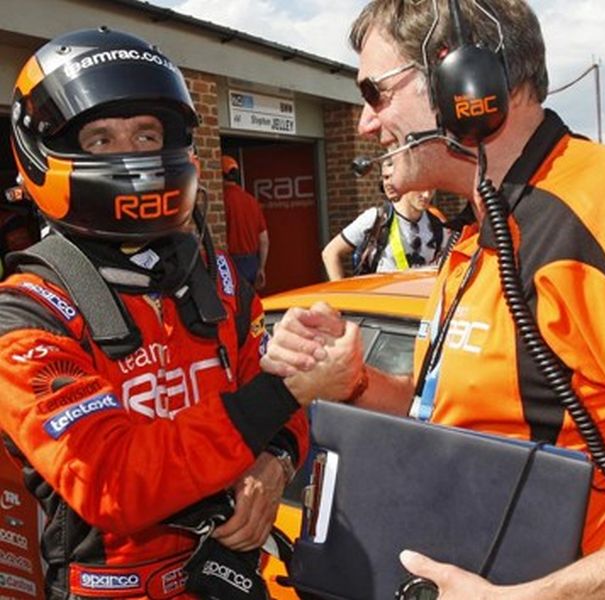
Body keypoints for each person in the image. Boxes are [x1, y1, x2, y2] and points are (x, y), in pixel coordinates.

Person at [264, 1, 605, 598]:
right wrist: (355, 380)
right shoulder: (485, 228)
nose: (367, 125)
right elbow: (457, 419)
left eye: (376, 93)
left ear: (463, 84)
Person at [0, 28, 317, 599]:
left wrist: (275, 462)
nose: (130, 155)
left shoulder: (219, 283)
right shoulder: (28, 313)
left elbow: (283, 406)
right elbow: (114, 482)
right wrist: (280, 398)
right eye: (100, 140)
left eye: (147, 134)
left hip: (228, 577)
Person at [321, 160, 446, 279]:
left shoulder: (438, 225)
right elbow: (330, 253)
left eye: (432, 188)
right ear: (404, 183)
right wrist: (342, 294)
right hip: (380, 299)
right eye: (420, 188)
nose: (427, 195)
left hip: (419, 299)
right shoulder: (376, 218)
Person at [222, 154, 270, 289]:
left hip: (230, 261)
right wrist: (261, 267)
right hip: (251, 261)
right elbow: (264, 239)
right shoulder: (251, 200)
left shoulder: (222, 201)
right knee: (250, 304)